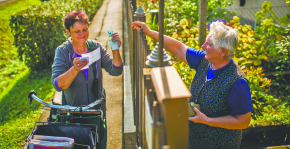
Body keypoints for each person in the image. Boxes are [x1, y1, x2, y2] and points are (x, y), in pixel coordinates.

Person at [132, 20, 251, 149]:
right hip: (194, 141)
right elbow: (178, 48)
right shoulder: (204, 61)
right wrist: (150, 33)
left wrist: (208, 121)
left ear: (222, 51)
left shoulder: (237, 82)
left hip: (218, 144)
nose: (202, 46)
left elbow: (243, 121)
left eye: (209, 44)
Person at [52, 10, 123, 148]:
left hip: (96, 112)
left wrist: (115, 49)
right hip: (73, 114)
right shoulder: (63, 51)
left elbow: (116, 70)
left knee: (99, 144)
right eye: (77, 31)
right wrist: (75, 69)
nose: (82, 34)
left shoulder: (95, 47)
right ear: (68, 32)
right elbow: (58, 85)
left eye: (85, 29)